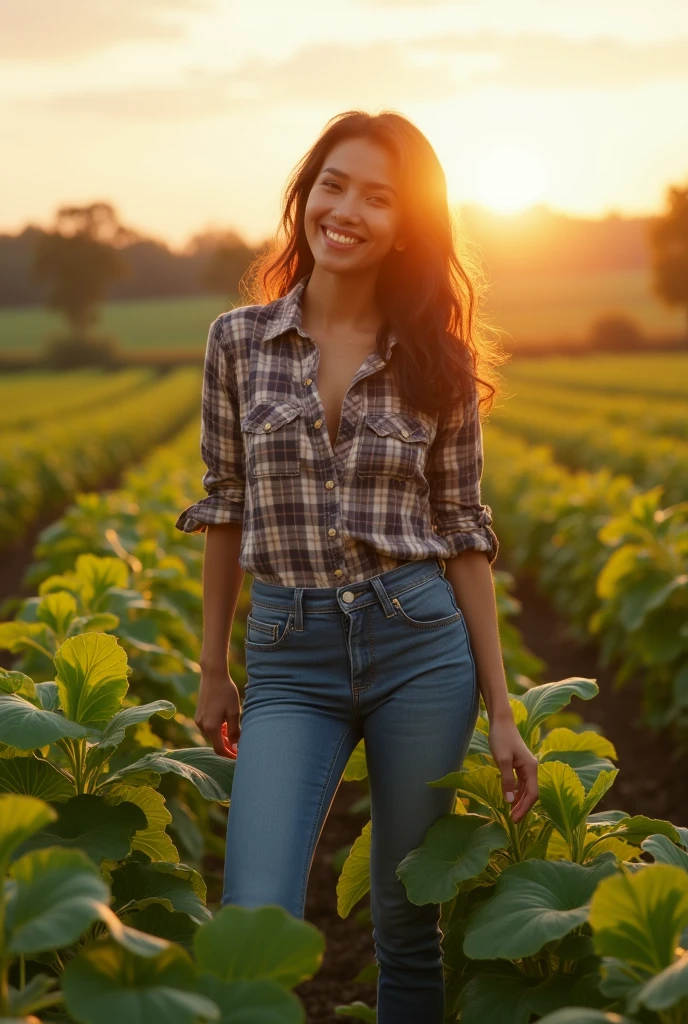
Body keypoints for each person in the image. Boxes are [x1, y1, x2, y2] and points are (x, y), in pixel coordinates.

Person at [175, 109, 539, 1024]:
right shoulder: (236, 342)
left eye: (379, 197)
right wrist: (214, 667)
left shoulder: (440, 363)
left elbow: (462, 533)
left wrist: (502, 712)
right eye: (333, 184)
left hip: (419, 645)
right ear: (306, 195)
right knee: (250, 917)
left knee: (407, 923)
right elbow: (225, 508)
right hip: (290, 653)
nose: (347, 209)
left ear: (409, 225)